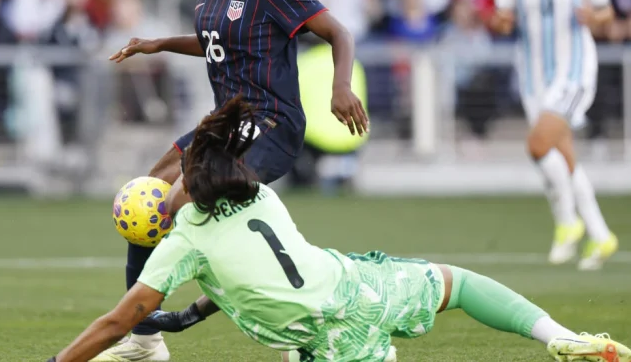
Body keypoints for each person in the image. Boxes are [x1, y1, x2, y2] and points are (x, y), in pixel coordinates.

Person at [47, 98, 631, 362]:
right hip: (359, 286)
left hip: (325, 339)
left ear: (192, 187)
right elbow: (251, 274)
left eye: (178, 178)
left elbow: (119, 320)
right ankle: (557, 336)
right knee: (462, 283)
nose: (169, 183)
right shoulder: (262, 195)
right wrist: (193, 316)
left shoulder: (184, 242)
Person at [103, 0, 369, 360]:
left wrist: (340, 86)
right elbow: (218, 41)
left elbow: (338, 33)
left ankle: (297, 321)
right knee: (144, 200)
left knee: (186, 197)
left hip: (271, 122)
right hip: (224, 124)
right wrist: (159, 43)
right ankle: (144, 341)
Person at [491, 0, 618, 270]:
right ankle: (600, 235)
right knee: (563, 156)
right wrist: (500, 23)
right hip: (533, 77)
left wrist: (594, 17)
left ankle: (567, 223)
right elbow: (502, 16)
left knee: (538, 144)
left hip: (574, 72)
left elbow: (606, 10)